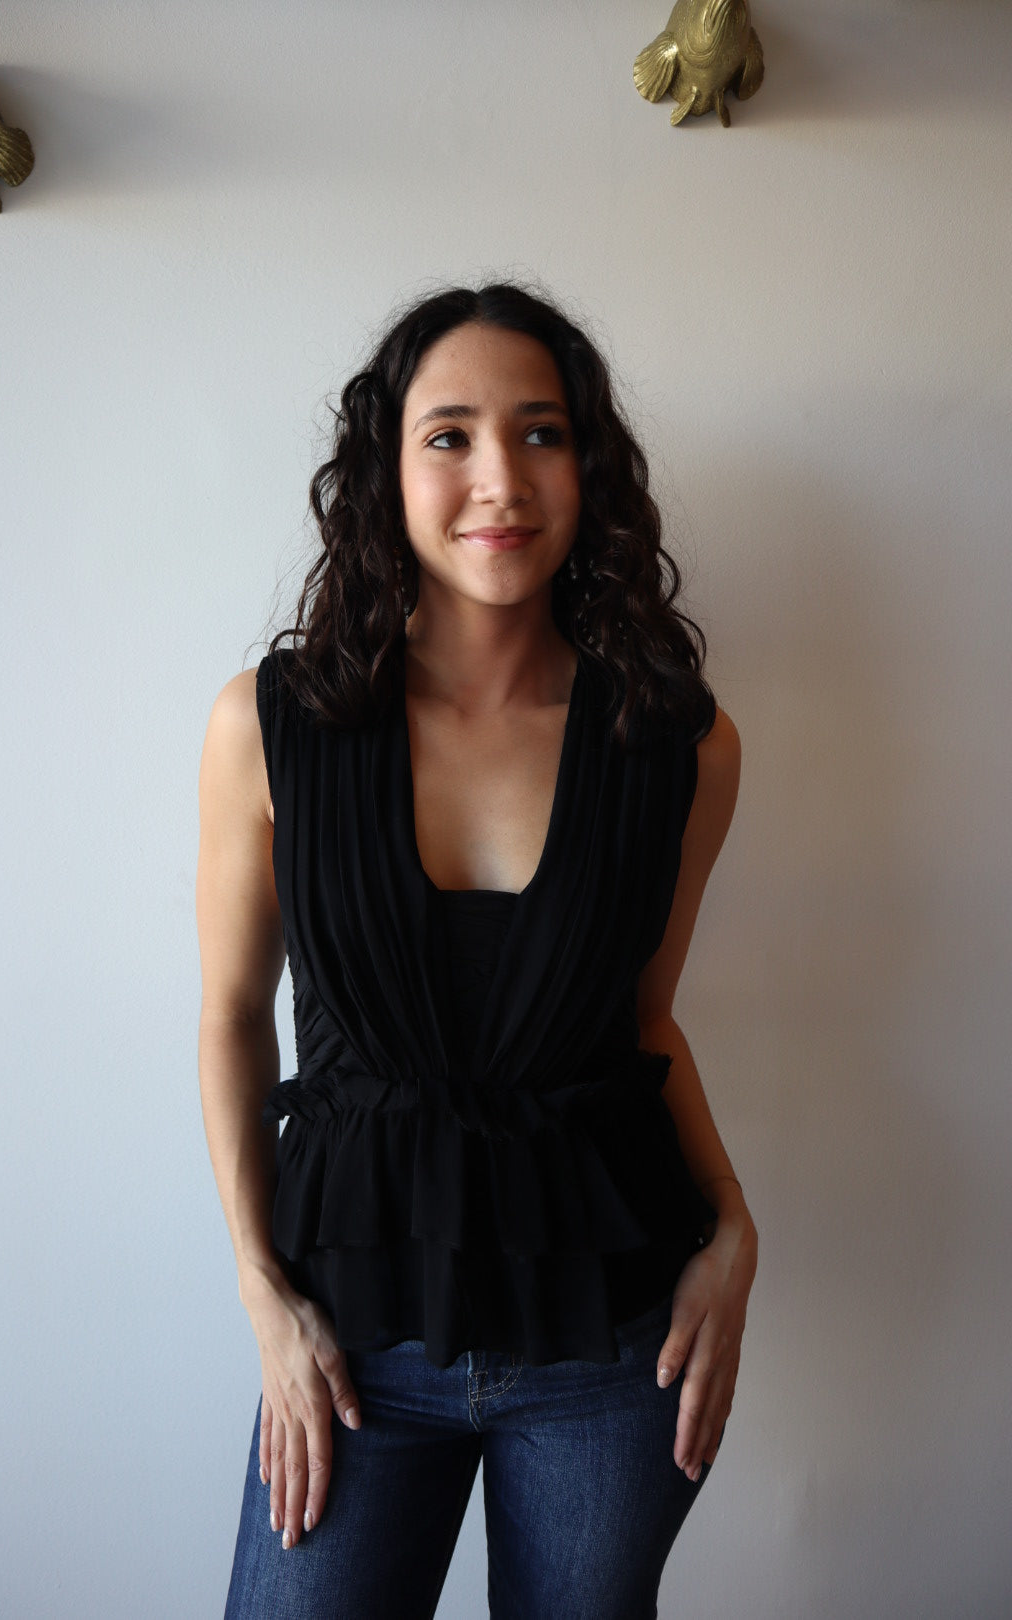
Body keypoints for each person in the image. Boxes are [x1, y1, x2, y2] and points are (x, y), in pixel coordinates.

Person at [196, 282, 757, 1619]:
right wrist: (263, 1296)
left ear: (590, 465)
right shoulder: (270, 724)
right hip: (346, 1343)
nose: (499, 477)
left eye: (541, 432)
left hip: (616, 1351)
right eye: (449, 434)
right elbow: (228, 1011)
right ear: (385, 468)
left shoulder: (684, 741)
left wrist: (736, 1229)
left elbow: (645, 1025)